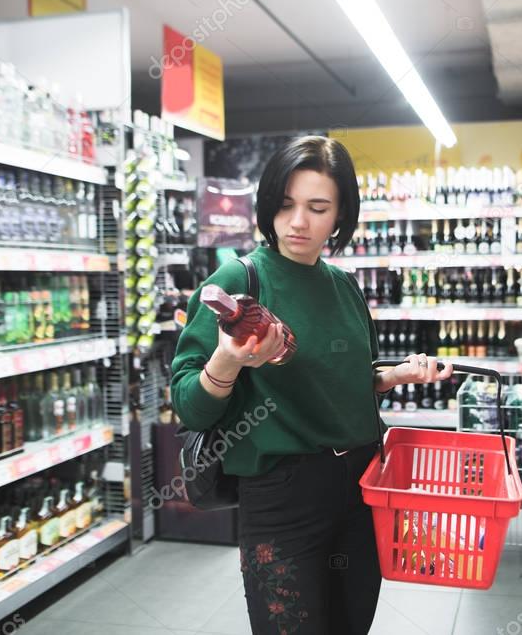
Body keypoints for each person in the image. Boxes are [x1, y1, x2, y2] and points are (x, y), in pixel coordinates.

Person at [170, 136, 453, 635]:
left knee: (351, 625)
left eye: (317, 207)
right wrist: (228, 360)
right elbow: (191, 407)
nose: (298, 221)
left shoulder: (344, 288)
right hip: (281, 496)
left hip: (359, 489)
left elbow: (341, 383)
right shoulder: (241, 280)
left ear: (341, 215)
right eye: (285, 205)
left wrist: (395, 376)